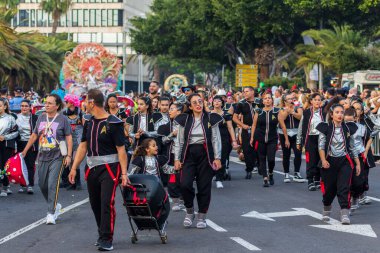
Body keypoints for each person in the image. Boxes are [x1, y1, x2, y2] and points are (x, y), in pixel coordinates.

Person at [68, 89, 129, 251]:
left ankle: (106, 238)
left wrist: (124, 174)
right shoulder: (88, 121)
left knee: (106, 202)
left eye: (86, 101)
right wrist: (74, 168)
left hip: (110, 168)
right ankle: (102, 232)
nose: (83, 104)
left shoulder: (114, 122)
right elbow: (83, 146)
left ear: (92, 103)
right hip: (91, 168)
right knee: (95, 204)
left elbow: (121, 150)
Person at [21, 94, 73, 224]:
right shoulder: (41, 118)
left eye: (50, 103)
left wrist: (69, 155)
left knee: (52, 184)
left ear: (57, 106)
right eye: (46, 102)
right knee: (42, 185)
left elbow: (69, 138)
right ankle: (55, 205)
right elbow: (34, 136)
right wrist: (25, 151)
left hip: (58, 156)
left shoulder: (63, 119)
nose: (47, 105)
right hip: (43, 156)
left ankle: (50, 213)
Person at [174, 93, 222, 229]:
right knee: (184, 184)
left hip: (205, 154)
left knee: (204, 186)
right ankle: (189, 211)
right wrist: (177, 158)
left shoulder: (211, 118)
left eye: (200, 101)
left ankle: (202, 216)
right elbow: (179, 141)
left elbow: (216, 139)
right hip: (188, 155)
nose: (198, 104)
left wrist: (217, 157)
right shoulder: (184, 119)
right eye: (194, 102)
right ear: (189, 106)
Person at [316, 104, 359, 225]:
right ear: (331, 114)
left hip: (344, 161)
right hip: (329, 161)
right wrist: (323, 160)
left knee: (344, 188)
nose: (340, 115)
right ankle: (326, 209)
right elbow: (321, 146)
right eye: (337, 112)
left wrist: (357, 163)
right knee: (329, 190)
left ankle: (344, 213)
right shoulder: (325, 128)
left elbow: (352, 147)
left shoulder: (349, 128)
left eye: (342, 112)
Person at [158, 102, 184, 211]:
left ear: (179, 111)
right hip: (171, 155)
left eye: (172, 109)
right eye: (169, 109)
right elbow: (162, 141)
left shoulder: (186, 124)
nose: (169, 111)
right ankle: (176, 200)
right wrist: (172, 134)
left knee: (184, 179)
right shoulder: (165, 126)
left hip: (184, 155)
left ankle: (184, 199)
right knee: (172, 179)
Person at [250, 92, 280, 187]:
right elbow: (254, 125)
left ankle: (270, 173)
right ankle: (265, 178)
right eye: (265, 98)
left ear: (272, 100)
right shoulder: (258, 111)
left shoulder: (276, 111)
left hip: (272, 138)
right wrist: (252, 137)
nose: (267, 99)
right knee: (262, 158)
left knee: (271, 159)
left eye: (269, 98)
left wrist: (286, 139)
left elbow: (282, 125)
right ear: (263, 101)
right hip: (260, 138)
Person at [297, 93, 326, 191]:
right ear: (311, 101)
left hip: (321, 138)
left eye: (319, 100)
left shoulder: (324, 113)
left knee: (320, 159)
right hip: (310, 138)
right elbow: (301, 127)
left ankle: (317, 179)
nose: (317, 102)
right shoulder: (306, 112)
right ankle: (310, 180)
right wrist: (298, 141)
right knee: (311, 160)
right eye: (316, 100)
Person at [212, 95, 238, 188]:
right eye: (215, 101)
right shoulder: (209, 114)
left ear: (222, 103)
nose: (216, 102)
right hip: (212, 140)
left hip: (224, 140)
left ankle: (219, 179)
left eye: (218, 101)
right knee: (211, 159)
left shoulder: (226, 115)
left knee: (222, 159)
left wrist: (234, 140)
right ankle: (213, 174)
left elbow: (230, 127)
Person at [278, 93, 305, 183]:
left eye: (293, 98)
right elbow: (282, 118)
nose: (291, 100)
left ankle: (297, 172)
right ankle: (286, 173)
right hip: (284, 134)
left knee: (298, 153)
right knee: (286, 154)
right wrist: (287, 110)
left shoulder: (298, 106)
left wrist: (293, 111)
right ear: (285, 101)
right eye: (289, 99)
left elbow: (301, 117)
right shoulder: (281, 109)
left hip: (297, 133)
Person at [233, 86, 258, 179]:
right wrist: (242, 125)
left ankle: (257, 164)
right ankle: (248, 170)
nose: (245, 93)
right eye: (244, 92)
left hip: (258, 129)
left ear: (252, 92)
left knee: (257, 150)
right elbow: (234, 118)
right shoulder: (241, 104)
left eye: (247, 91)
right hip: (246, 129)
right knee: (247, 150)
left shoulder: (259, 102)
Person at [16, 99, 38, 194]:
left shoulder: (35, 118)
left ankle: (30, 185)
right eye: (22, 106)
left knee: (30, 165)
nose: (24, 108)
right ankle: (23, 184)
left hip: (31, 144)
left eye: (26, 106)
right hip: (19, 143)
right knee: (21, 165)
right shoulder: (15, 117)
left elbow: (38, 133)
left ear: (30, 107)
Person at [62, 94, 83, 190]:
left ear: (72, 102)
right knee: (69, 161)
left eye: (67, 102)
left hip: (78, 140)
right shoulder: (64, 113)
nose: (66, 103)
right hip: (68, 140)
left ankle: (78, 182)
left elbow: (85, 125)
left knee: (75, 161)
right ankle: (72, 182)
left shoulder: (80, 112)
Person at [0, 98, 19, 197]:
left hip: (6, 145)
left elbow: (16, 132)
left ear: (5, 106)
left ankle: (5, 186)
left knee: (4, 165)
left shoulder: (10, 118)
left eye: (0, 106)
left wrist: (5, 137)